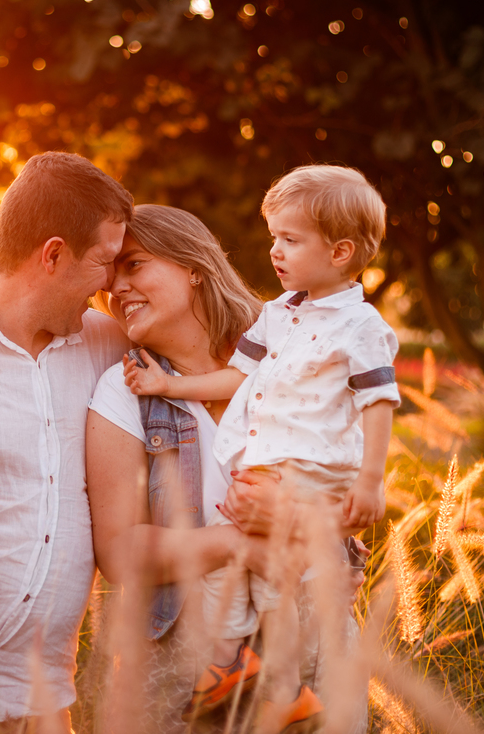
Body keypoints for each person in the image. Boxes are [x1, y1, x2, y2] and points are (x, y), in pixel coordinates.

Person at [121, 166, 399, 730]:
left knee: (277, 574)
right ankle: (228, 667)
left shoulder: (361, 326)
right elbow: (237, 380)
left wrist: (371, 481)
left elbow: (379, 402)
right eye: (274, 236)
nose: (275, 250)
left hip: (315, 468)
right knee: (234, 565)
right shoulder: (277, 315)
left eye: (290, 240)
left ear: (341, 251)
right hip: (269, 470)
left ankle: (284, 689)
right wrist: (168, 387)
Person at [0, 151, 134, 733]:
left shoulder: (110, 347)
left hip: (43, 703)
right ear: (53, 255)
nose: (113, 283)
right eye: (105, 262)